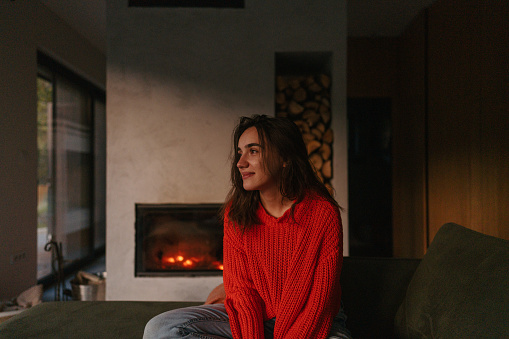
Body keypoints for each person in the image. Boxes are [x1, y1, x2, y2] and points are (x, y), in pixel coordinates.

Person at [143, 114, 351, 339]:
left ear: (285, 157)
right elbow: (241, 291)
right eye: (240, 152)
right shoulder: (237, 212)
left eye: (253, 151)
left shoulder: (321, 212)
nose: (240, 163)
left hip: (315, 323)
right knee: (160, 328)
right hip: (253, 320)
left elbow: (319, 299)